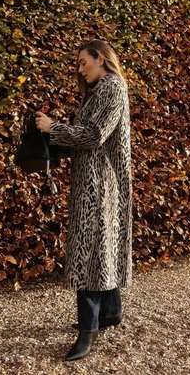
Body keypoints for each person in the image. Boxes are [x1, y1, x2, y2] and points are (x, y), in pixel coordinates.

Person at [35, 39, 133, 362]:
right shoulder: (98, 90)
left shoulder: (112, 88)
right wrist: (52, 138)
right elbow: (85, 136)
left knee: (88, 252)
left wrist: (55, 128)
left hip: (100, 185)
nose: (79, 68)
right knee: (100, 248)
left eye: (83, 62)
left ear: (101, 59)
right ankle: (111, 312)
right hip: (92, 182)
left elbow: (93, 135)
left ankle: (87, 331)